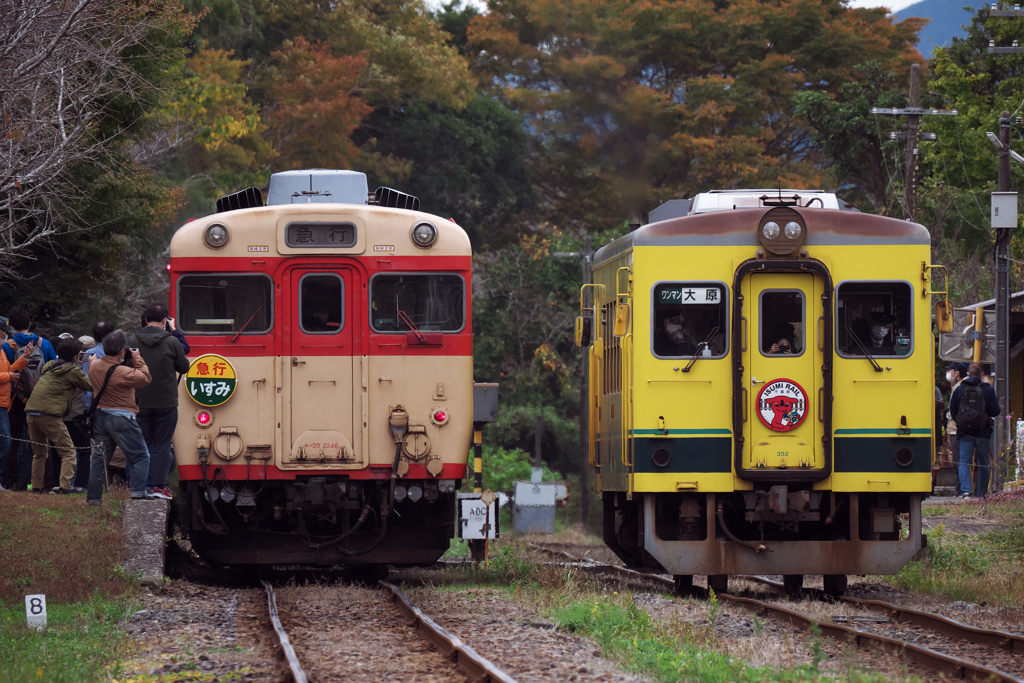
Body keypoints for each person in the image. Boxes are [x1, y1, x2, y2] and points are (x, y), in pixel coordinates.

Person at [129, 303, 189, 500]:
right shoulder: (171, 342)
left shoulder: (132, 340)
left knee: (140, 444)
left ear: (145, 319)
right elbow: (184, 367)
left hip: (138, 400)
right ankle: (159, 487)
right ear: (165, 321)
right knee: (162, 445)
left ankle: (140, 486)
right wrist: (175, 332)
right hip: (166, 401)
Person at [86, 330, 154, 504]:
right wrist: (137, 358)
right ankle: (138, 492)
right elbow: (146, 378)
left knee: (100, 458)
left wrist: (93, 360)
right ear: (122, 351)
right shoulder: (123, 372)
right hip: (121, 417)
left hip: (100, 416)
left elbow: (95, 364)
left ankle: (94, 498)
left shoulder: (94, 366)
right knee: (140, 456)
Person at [24, 339, 92, 495]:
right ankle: (65, 487)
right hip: (49, 415)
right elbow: (90, 386)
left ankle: (36, 487)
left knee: (40, 453)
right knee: (68, 452)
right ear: (75, 357)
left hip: (31, 411)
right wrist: (89, 366)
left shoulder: (49, 365)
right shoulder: (74, 371)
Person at [950, 362, 1001, 499]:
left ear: (967, 374)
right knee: (983, 463)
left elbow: (953, 410)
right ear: (982, 374)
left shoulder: (959, 389)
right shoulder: (988, 389)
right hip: (983, 432)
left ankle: (966, 491)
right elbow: (996, 411)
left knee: (964, 462)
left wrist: (962, 422)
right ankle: (982, 494)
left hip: (965, 432)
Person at [0, 317, 33, 491]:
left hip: (5, 402)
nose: (6, 336)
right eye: (4, 332)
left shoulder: (2, 351)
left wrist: (25, 358)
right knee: (5, 441)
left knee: (6, 441)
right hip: (2, 403)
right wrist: (8, 378)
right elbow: (6, 375)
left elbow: (10, 369)